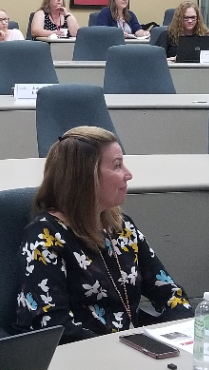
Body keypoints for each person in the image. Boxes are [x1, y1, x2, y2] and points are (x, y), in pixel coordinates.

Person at [13, 126, 192, 344]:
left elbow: (169, 292)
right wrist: (121, 350)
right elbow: (54, 327)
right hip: (79, 354)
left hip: (126, 348)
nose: (128, 174)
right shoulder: (45, 236)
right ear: (86, 178)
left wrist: (184, 333)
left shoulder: (121, 227)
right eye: (117, 165)